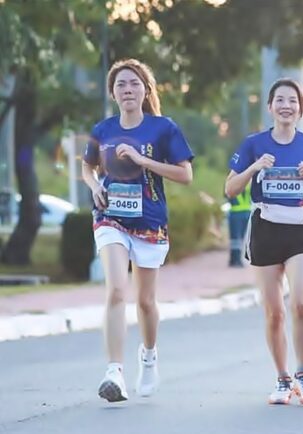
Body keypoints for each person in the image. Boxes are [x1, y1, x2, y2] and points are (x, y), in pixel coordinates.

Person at [82, 58, 194, 402]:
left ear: (146, 90)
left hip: (149, 222)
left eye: (134, 83)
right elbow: (87, 167)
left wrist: (144, 160)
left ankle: (148, 356)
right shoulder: (102, 130)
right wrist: (94, 186)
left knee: (145, 302)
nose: (127, 89)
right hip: (110, 217)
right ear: (112, 93)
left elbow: (185, 175)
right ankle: (114, 372)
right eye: (121, 84)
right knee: (117, 289)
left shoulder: (163, 128)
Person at [225, 78, 303, 405]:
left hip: (300, 227)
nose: (287, 106)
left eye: (293, 101)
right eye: (281, 100)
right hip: (266, 228)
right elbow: (230, 189)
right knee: (274, 311)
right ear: (270, 107)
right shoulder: (254, 144)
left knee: (300, 302)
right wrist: (254, 168)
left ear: (300, 109)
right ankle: (283, 379)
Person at [227, 183, 251, 267]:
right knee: (237, 239)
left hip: (239, 213)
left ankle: (235, 259)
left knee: (237, 239)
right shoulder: (247, 185)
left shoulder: (233, 184)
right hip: (240, 213)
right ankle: (235, 259)